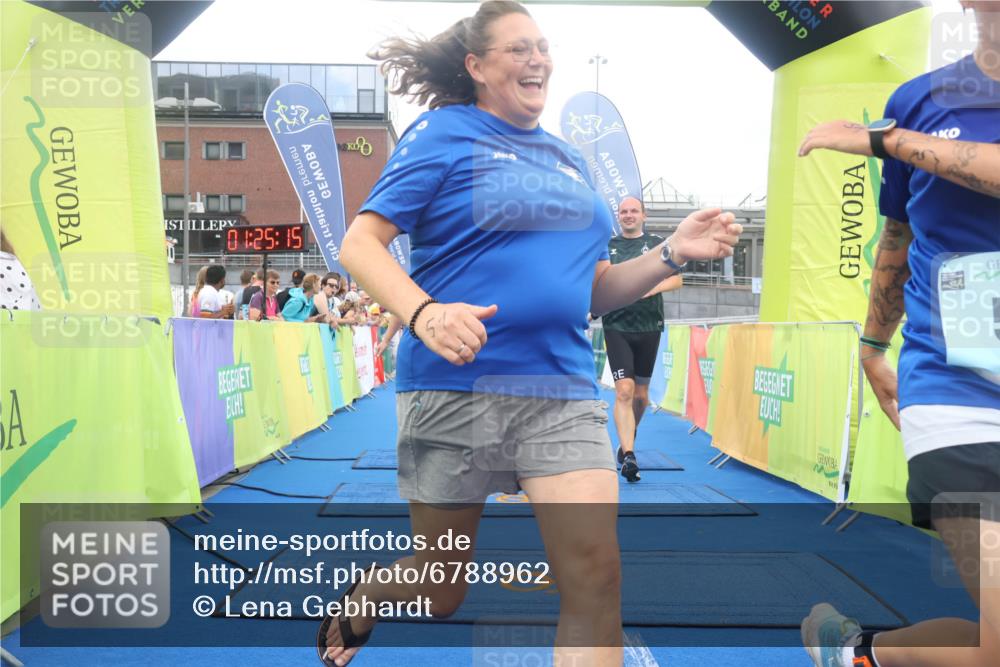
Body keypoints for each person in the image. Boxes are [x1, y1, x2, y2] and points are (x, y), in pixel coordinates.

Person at [318, 3, 743, 666]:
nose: (538, 59)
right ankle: (371, 591)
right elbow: (359, 242)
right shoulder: (443, 134)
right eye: (518, 48)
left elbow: (592, 288)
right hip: (455, 389)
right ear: (477, 66)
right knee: (441, 589)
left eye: (543, 47)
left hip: (562, 391)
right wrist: (426, 313)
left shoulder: (569, 158)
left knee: (596, 577)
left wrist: (671, 254)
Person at [798, 3, 1000, 666]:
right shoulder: (920, 98)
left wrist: (889, 141)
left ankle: (860, 651)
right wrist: (873, 343)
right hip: (955, 394)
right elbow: (897, 236)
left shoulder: (900, 128)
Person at [602, 196, 683, 482]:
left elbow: (677, 279)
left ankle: (627, 441)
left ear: (643, 216)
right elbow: (596, 280)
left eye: (633, 210)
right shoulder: (608, 246)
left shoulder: (658, 245)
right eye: (623, 211)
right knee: (623, 390)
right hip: (616, 325)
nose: (628, 215)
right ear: (618, 217)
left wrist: (647, 289)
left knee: (641, 396)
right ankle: (629, 455)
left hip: (649, 325)